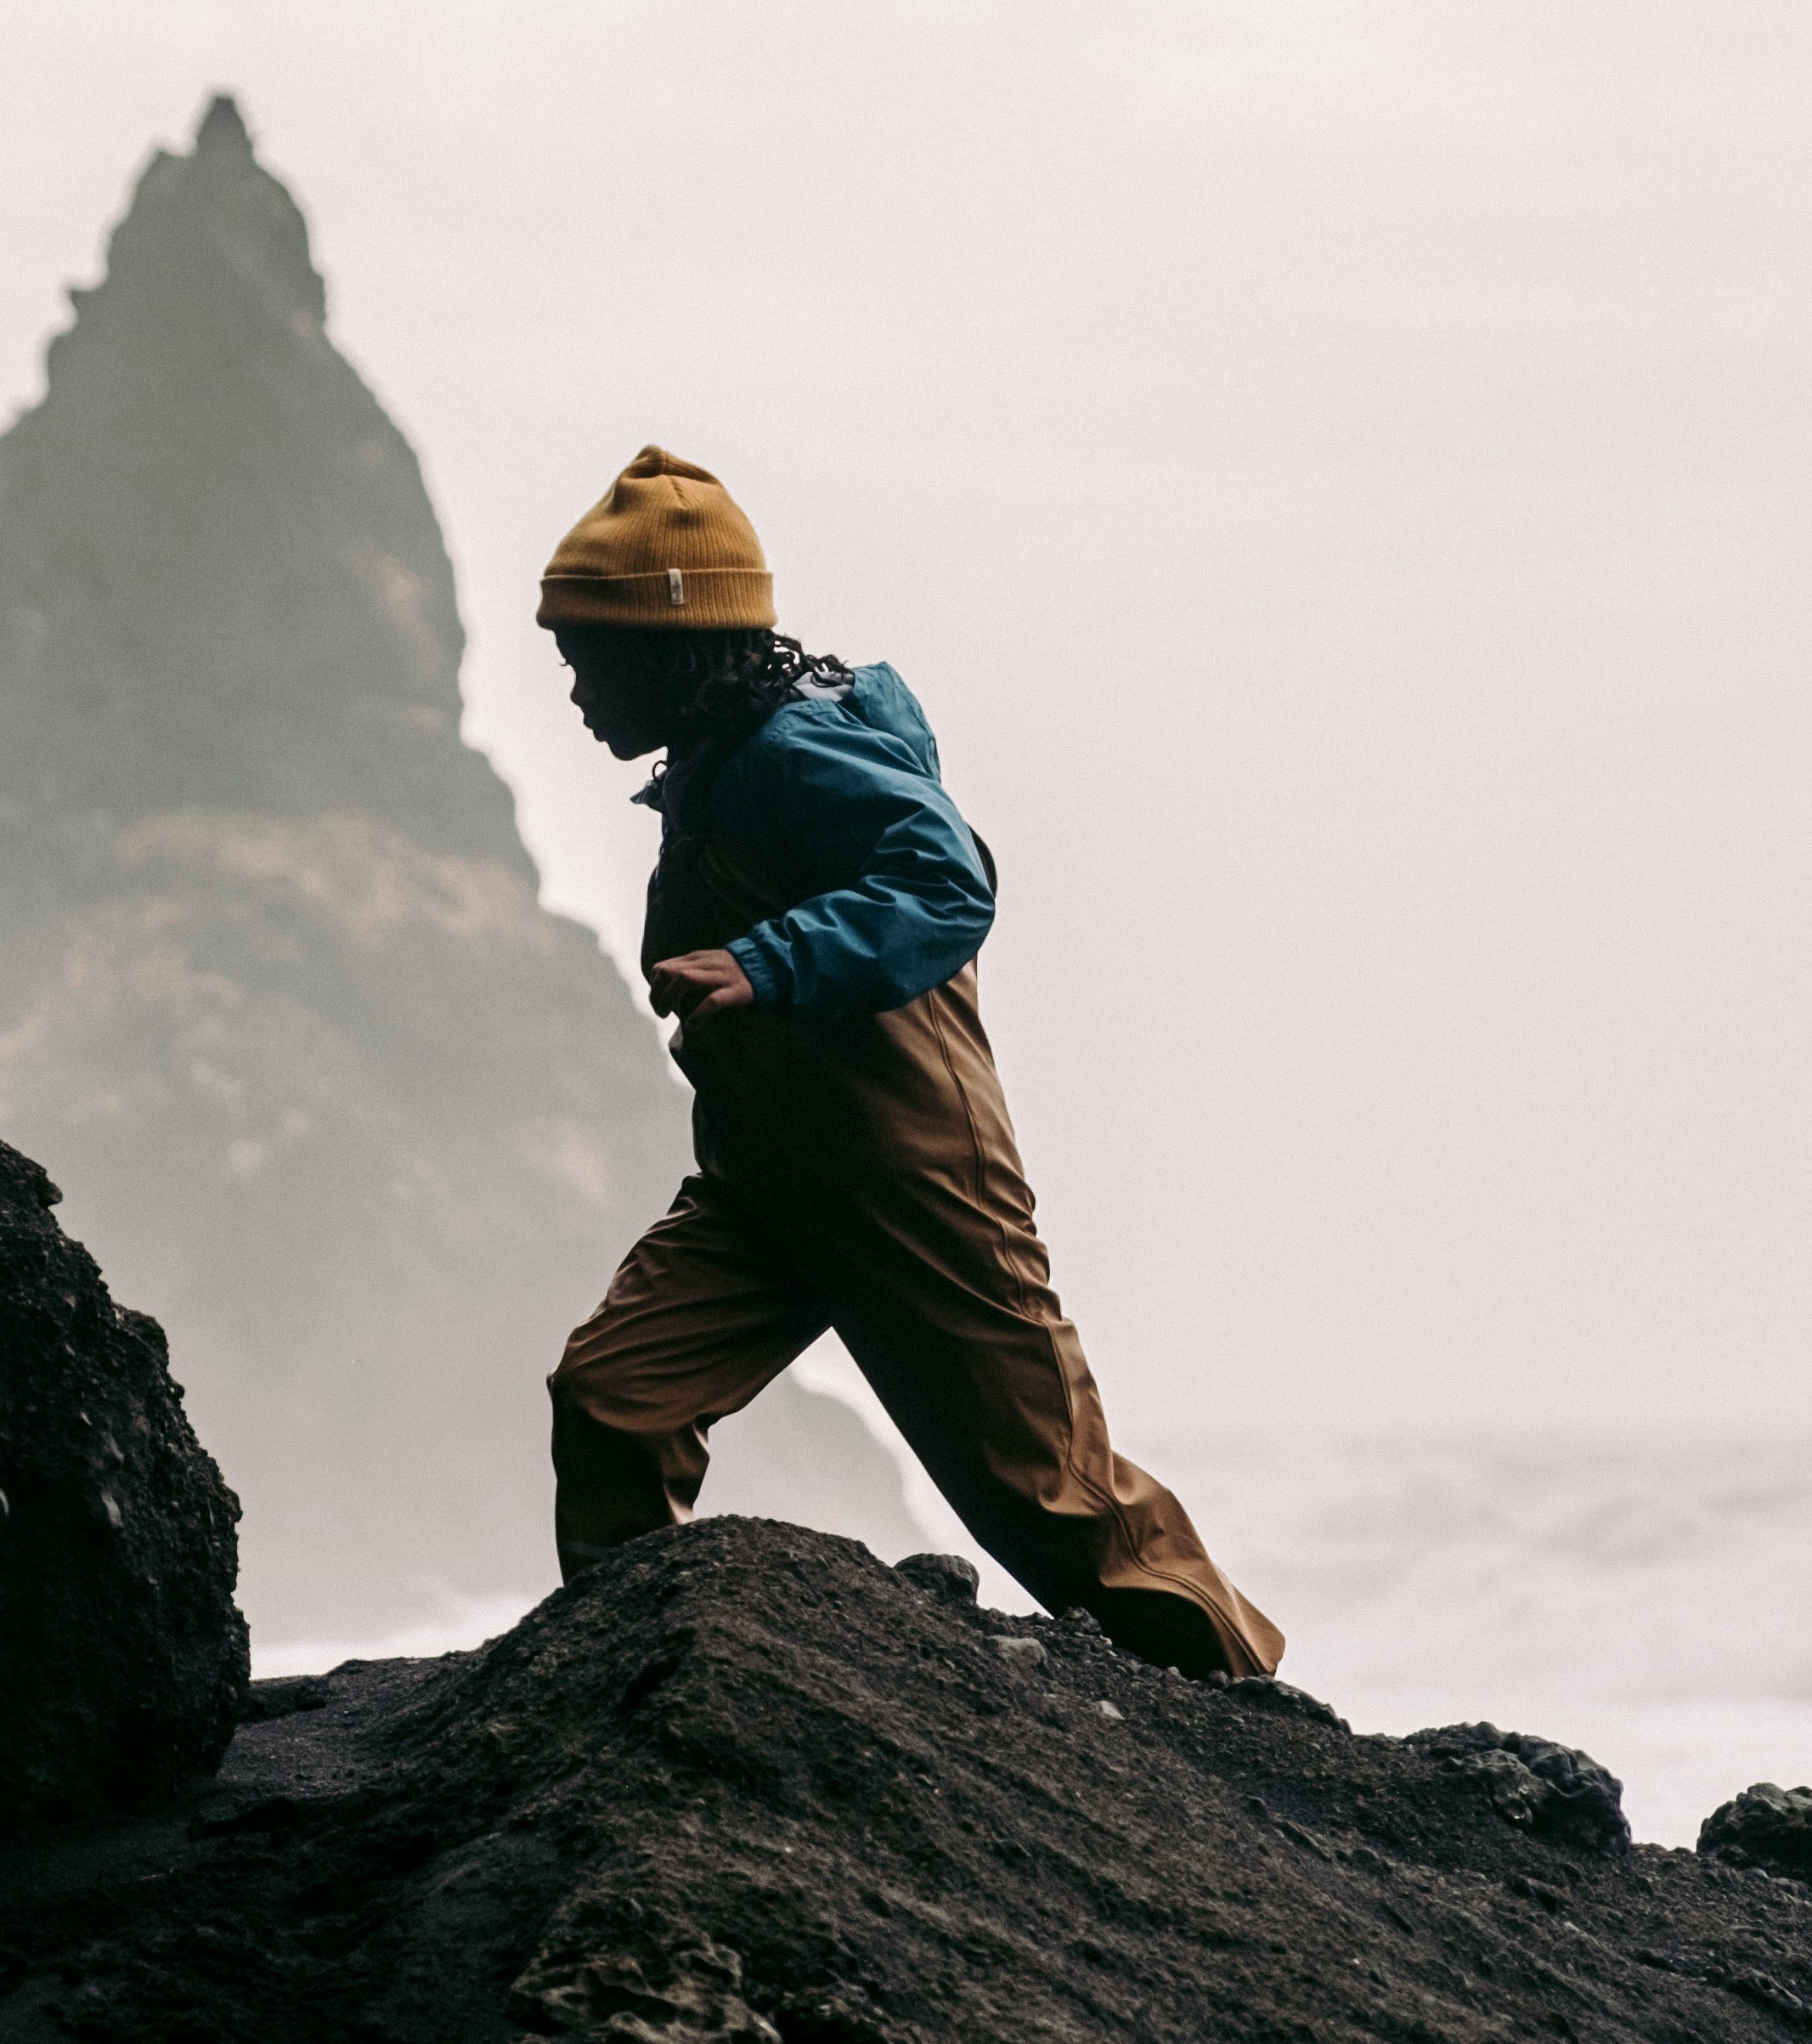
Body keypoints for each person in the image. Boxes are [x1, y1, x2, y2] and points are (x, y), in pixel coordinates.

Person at [533, 446, 1286, 1683]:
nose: (573, 691)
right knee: (615, 1396)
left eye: (591, 658)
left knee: (1056, 1504)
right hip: (765, 1189)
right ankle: (614, 1673)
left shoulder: (796, 751)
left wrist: (766, 963)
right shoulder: (717, 769)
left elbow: (947, 878)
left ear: (675, 650)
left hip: (915, 1185)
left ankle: (1254, 1711)